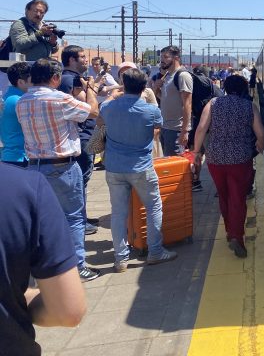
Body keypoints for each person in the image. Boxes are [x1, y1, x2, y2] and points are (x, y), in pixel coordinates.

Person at [16, 58, 101, 282]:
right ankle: (77, 267)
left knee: (43, 219)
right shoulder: (60, 99)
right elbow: (92, 111)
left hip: (33, 167)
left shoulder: (22, 101)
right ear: (55, 78)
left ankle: (47, 267)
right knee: (73, 217)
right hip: (61, 166)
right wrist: (89, 88)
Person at [0, 163, 86, 354]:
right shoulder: (22, 188)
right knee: (75, 218)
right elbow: (68, 310)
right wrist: (20, 299)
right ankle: (80, 262)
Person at [99, 68, 178, 272]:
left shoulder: (108, 108)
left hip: (114, 167)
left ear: (123, 85)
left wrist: (112, 96)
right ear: (144, 88)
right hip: (141, 167)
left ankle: (120, 259)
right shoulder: (151, 110)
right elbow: (157, 127)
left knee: (118, 213)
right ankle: (155, 252)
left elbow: (101, 117)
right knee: (153, 207)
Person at [193, 74, 264, 258]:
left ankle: (228, 231)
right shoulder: (249, 106)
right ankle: (237, 237)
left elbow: (201, 128)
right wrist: (260, 145)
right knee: (238, 198)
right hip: (240, 159)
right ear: (243, 89)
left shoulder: (213, 104)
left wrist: (196, 152)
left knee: (224, 195)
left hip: (215, 159)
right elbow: (261, 133)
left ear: (225, 88)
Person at [59, 45, 99, 235]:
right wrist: (91, 88)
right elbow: (90, 110)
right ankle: (79, 220)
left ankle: (82, 216)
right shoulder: (69, 80)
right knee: (80, 179)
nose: (86, 60)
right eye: (82, 57)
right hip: (82, 136)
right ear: (71, 60)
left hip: (85, 135)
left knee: (82, 179)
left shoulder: (71, 79)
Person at [155, 46, 201, 191]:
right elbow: (167, 100)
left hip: (176, 128)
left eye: (165, 57)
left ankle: (184, 190)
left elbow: (187, 104)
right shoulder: (167, 76)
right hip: (166, 127)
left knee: (177, 162)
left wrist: (185, 130)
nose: (162, 61)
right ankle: (180, 190)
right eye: (161, 57)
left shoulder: (182, 76)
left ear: (176, 58)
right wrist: (156, 89)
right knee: (171, 162)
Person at [1, 62, 32, 167]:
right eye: (32, 79)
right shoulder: (20, 101)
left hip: (9, 156)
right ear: (21, 82)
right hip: (20, 157)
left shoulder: (7, 98)